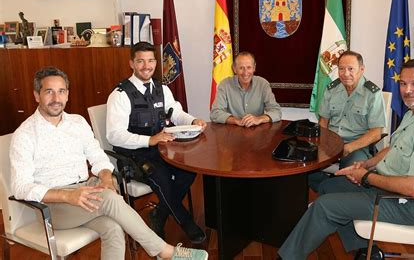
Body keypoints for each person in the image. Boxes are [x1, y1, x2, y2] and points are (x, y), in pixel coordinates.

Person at [9, 66, 208, 260]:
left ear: (67, 94)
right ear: (37, 95)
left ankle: (162, 251)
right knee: (109, 198)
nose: (56, 98)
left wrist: (105, 176)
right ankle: (164, 252)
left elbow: (97, 156)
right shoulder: (25, 134)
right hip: (53, 206)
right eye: (49, 92)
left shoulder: (77, 122)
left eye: (61, 91)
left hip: (85, 192)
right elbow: (21, 187)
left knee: (113, 228)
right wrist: (66, 195)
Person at [278, 58, 414, 259]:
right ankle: (365, 250)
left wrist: (365, 176)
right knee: (327, 188)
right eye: (403, 83)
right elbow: (394, 148)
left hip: (408, 203)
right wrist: (366, 164)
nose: (407, 90)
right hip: (389, 185)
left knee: (325, 206)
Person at [106, 42, 207, 244]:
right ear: (131, 63)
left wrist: (193, 121)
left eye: (151, 60)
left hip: (160, 150)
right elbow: (113, 135)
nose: (146, 66)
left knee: (188, 172)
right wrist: (149, 140)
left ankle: (158, 215)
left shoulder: (162, 89)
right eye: (140, 61)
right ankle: (187, 223)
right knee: (161, 177)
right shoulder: (120, 95)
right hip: (133, 156)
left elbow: (175, 112)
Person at [308, 51, 386, 190]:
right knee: (305, 169)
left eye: (351, 69)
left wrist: (349, 147)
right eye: (341, 69)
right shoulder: (332, 89)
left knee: (351, 175)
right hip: (330, 143)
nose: (345, 73)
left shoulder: (372, 94)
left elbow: (376, 133)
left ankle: (331, 197)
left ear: (361, 70)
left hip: (356, 146)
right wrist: (323, 144)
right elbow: (323, 121)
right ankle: (327, 193)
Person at [210, 51, 281, 127]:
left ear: (254, 68)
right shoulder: (225, 85)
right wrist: (236, 120)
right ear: (234, 69)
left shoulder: (263, 84)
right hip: (231, 133)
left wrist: (259, 119)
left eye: (249, 67)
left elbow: (276, 111)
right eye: (241, 68)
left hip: (257, 134)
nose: (245, 72)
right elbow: (215, 113)